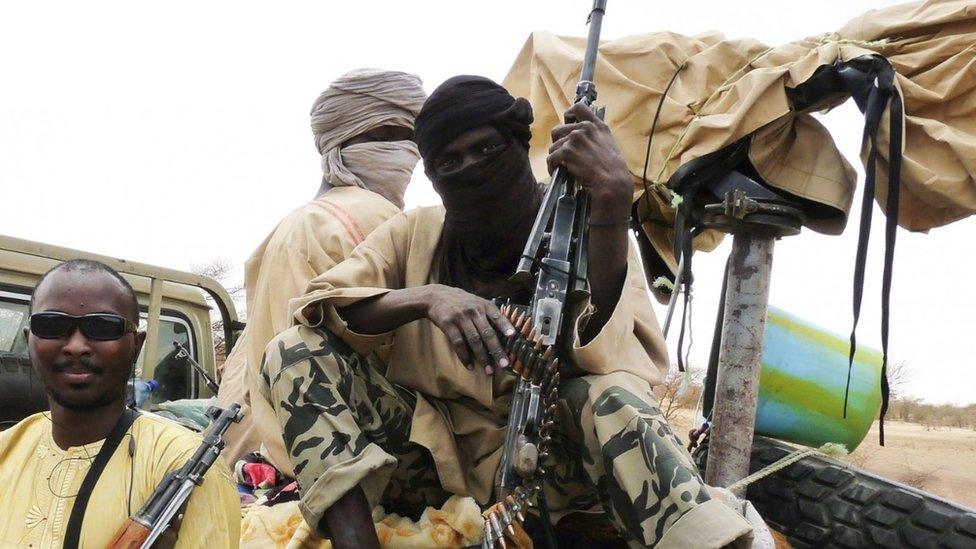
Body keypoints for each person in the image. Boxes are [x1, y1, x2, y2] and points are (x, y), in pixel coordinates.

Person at [256, 76, 757, 548]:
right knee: (293, 352)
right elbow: (321, 308)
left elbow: (611, 353)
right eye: (449, 162)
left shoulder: (577, 226)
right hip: (434, 462)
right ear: (431, 176)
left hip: (552, 472)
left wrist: (611, 201)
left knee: (610, 398)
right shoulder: (414, 233)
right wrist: (429, 298)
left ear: (520, 146)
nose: (471, 167)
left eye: (486, 149)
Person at [215, 68, 427, 472]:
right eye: (393, 137)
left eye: (413, 139)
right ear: (348, 141)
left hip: (280, 455)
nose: (409, 154)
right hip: (362, 458)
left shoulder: (285, 229)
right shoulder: (380, 220)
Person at [0, 259, 239, 547]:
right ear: (29, 340)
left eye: (102, 327)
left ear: (136, 345)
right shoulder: (6, 450)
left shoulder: (182, 464)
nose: (76, 346)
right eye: (52, 325)